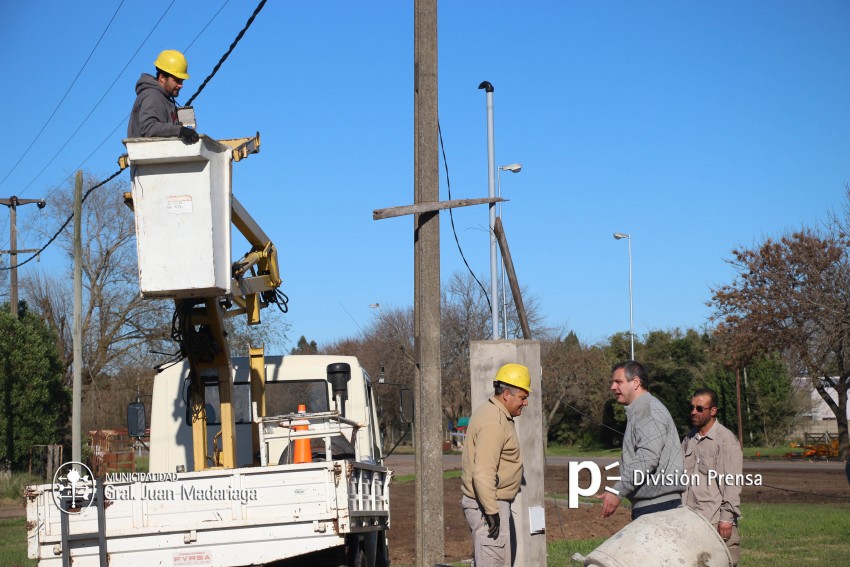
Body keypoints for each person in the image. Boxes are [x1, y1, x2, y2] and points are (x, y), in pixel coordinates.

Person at [460, 363, 530, 567]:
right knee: (493, 562)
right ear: (507, 394)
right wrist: (492, 512)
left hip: (489, 502)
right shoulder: (494, 422)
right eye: (522, 397)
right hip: (488, 504)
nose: (525, 403)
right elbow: (483, 472)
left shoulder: (493, 413)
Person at [599, 360, 685, 520]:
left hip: (658, 509)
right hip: (651, 506)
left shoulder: (649, 410)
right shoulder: (641, 409)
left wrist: (618, 490)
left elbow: (648, 458)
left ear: (636, 382)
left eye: (618, 382)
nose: (613, 387)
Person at [681, 388, 742, 566]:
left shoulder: (725, 440)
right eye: (692, 408)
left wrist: (726, 519)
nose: (694, 412)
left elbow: (732, 482)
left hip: (714, 521)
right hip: (690, 519)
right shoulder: (689, 438)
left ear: (713, 411)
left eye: (700, 409)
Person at [127, 49, 199, 143]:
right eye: (177, 80)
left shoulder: (165, 99)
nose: (181, 85)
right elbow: (149, 128)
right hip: (147, 156)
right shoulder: (152, 96)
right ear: (162, 78)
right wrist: (180, 130)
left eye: (182, 81)